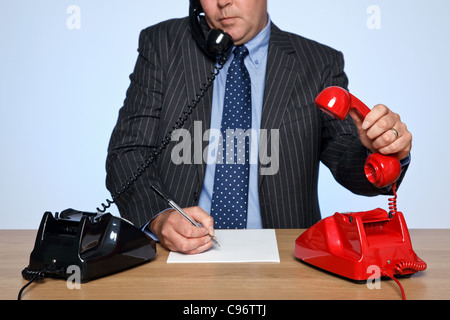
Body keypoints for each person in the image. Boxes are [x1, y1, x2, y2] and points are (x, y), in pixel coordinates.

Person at [105, 0, 412, 254]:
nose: (223, 3)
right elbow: (128, 152)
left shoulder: (319, 63)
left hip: (288, 257)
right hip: (180, 255)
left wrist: (382, 151)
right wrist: (159, 218)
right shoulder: (163, 45)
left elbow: (347, 161)